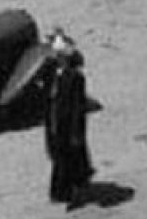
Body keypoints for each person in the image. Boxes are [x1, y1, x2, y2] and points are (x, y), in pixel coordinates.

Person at [43, 31, 96, 205]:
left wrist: (76, 131)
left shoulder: (75, 78)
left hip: (67, 125)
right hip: (55, 122)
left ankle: (62, 191)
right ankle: (73, 183)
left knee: (64, 158)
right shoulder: (52, 72)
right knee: (61, 156)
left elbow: (77, 107)